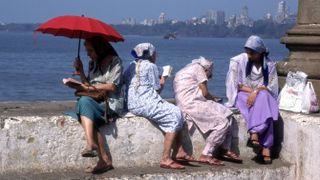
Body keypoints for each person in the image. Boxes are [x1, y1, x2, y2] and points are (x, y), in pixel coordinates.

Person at [65, 36, 124, 173]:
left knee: (83, 105)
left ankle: (94, 148)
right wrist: (81, 73)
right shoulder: (93, 63)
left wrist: (89, 89)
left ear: (100, 49)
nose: (88, 54)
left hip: (111, 103)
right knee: (84, 105)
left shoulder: (115, 61)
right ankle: (102, 158)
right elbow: (88, 85)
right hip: (96, 100)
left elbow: (113, 86)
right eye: (87, 51)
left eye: (90, 51)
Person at [124, 43, 186, 169]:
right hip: (145, 103)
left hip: (132, 104)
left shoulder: (132, 65)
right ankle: (166, 158)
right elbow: (157, 89)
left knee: (175, 111)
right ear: (150, 54)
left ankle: (180, 150)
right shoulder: (151, 66)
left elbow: (126, 81)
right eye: (154, 53)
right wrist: (164, 77)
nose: (155, 55)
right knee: (175, 114)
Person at [173, 56, 242, 166]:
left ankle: (225, 148)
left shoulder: (187, 69)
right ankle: (207, 154)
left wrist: (211, 98)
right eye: (210, 73)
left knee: (227, 113)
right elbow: (205, 93)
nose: (210, 76)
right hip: (193, 104)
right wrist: (213, 98)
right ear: (207, 69)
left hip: (186, 103)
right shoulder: (199, 69)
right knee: (222, 123)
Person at [225, 35, 279, 164]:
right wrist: (253, 92)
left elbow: (271, 87)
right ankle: (267, 147)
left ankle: (254, 132)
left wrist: (256, 92)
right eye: (248, 52)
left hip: (263, 95)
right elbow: (238, 85)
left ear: (260, 53)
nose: (249, 55)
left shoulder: (270, 65)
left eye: (252, 53)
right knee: (259, 107)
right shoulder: (241, 62)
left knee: (264, 99)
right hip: (245, 95)